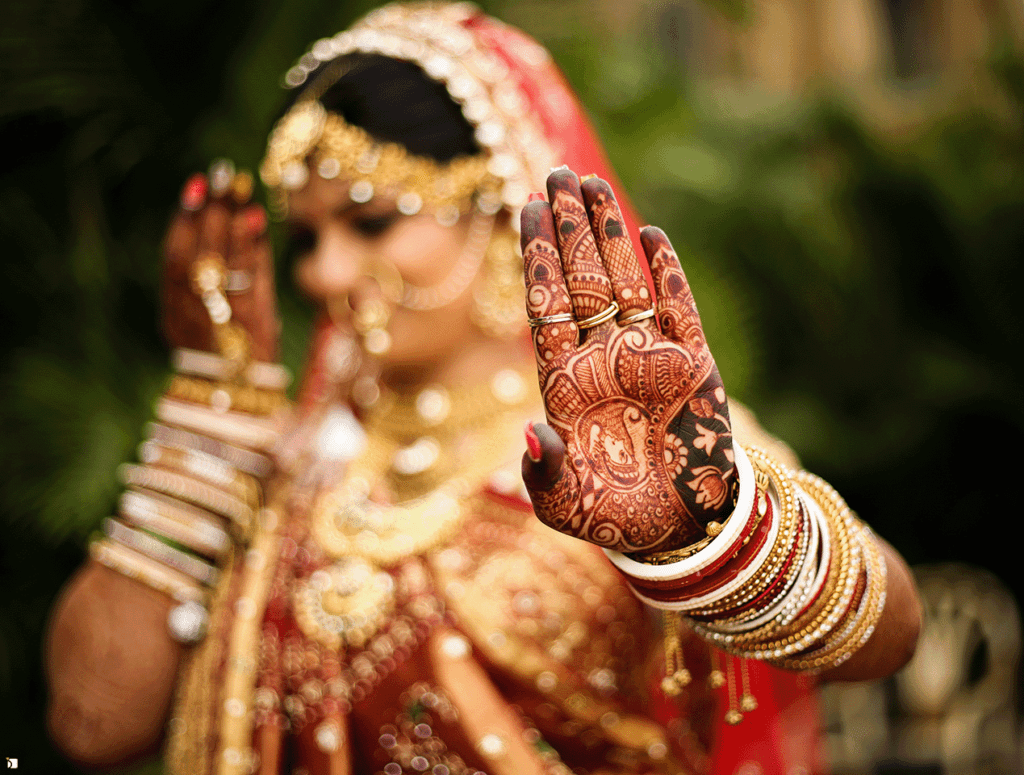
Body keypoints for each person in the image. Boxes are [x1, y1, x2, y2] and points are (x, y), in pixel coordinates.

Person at [44, 4, 922, 774]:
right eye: (306, 238)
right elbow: (91, 724)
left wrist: (711, 538)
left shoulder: (622, 447)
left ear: (503, 211)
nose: (325, 272)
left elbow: (891, 635)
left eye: (372, 219)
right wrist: (208, 417)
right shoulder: (291, 459)